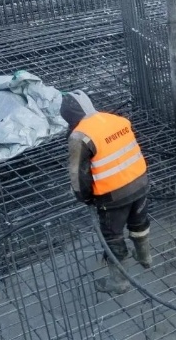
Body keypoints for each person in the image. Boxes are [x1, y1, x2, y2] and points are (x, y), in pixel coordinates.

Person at [59, 90, 151, 295]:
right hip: (141, 181)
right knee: (139, 222)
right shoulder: (116, 119)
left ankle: (119, 283)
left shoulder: (80, 136)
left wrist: (84, 197)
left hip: (112, 195)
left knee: (112, 235)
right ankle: (145, 257)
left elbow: (78, 174)